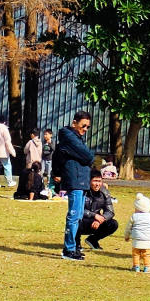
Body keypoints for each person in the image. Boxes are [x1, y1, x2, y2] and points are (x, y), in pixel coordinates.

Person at [56, 111, 95, 261]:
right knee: (73, 216)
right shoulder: (68, 136)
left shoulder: (76, 138)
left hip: (81, 181)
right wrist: (85, 157)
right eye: (83, 125)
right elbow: (88, 156)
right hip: (75, 181)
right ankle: (69, 249)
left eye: (88, 127)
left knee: (78, 216)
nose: (85, 129)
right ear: (74, 123)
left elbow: (86, 156)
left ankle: (75, 246)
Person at [78, 172, 118, 248]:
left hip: (97, 222)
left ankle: (93, 240)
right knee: (75, 220)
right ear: (89, 181)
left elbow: (110, 211)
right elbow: (77, 209)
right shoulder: (82, 191)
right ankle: (76, 243)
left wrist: (100, 220)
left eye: (99, 181)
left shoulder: (104, 192)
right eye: (95, 181)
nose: (97, 184)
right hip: (83, 221)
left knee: (113, 224)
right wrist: (94, 215)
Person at [127, 192, 150, 272]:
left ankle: (136, 267)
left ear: (138, 208)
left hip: (136, 240)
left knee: (136, 254)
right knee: (147, 254)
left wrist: (127, 235)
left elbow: (128, 227)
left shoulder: (134, 216)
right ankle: (147, 267)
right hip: (147, 240)